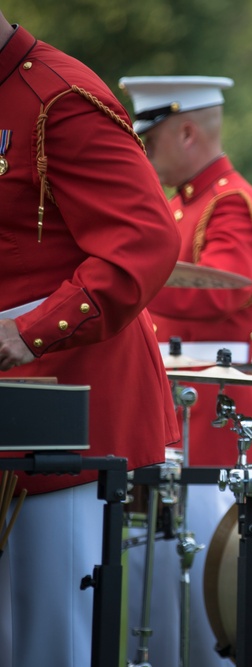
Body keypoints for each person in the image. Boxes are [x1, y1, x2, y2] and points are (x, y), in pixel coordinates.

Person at [0, 10, 181, 666]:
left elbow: (147, 238)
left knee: (46, 644)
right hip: (13, 418)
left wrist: (30, 331)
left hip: (63, 423)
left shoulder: (60, 98)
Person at [118, 75, 252, 666]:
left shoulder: (230, 201)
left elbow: (227, 291)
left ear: (186, 131)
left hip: (213, 416)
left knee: (208, 582)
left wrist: (134, 281)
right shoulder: (180, 202)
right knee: (156, 576)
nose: (144, 152)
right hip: (176, 409)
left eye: (151, 138)